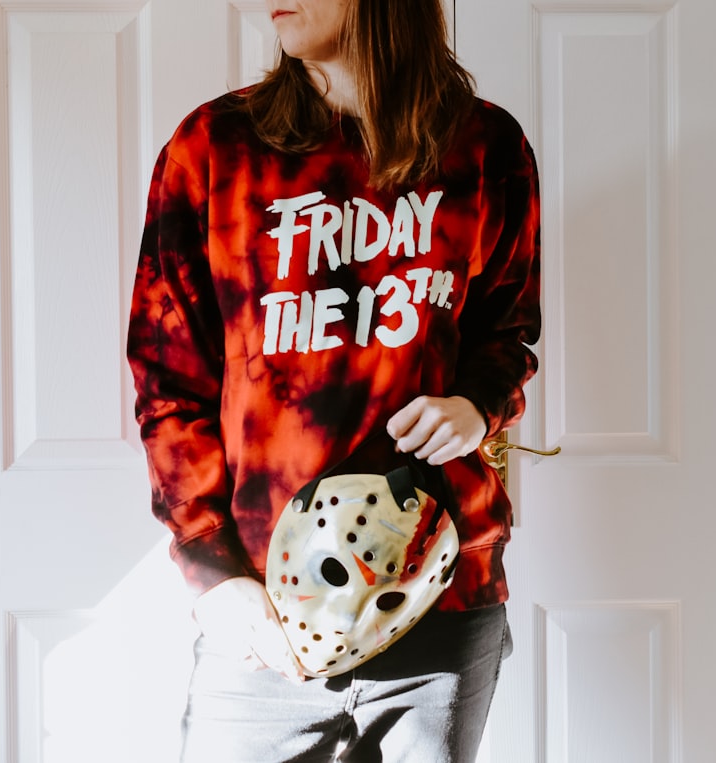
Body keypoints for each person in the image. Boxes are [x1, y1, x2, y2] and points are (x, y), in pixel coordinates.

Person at [126, 0, 541, 760]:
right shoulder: (214, 149)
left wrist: (477, 406)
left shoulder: (486, 148)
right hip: (264, 610)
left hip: (438, 599)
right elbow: (167, 377)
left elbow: (507, 331)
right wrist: (213, 567)